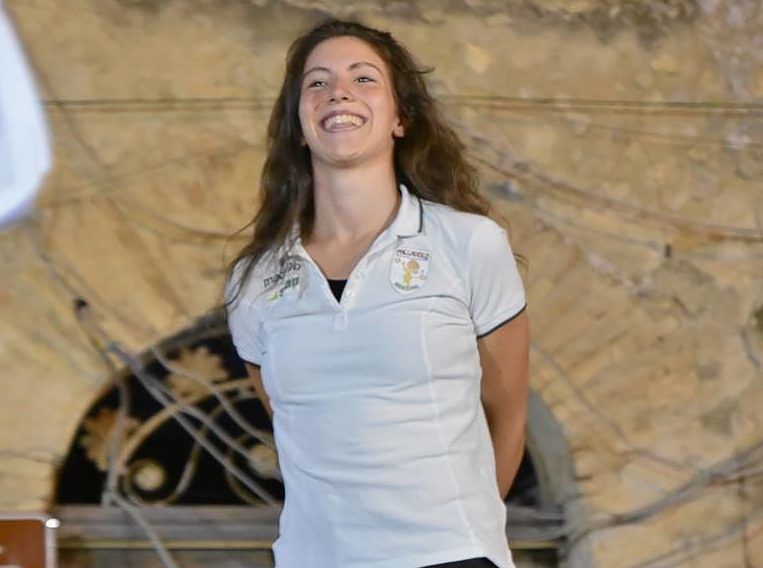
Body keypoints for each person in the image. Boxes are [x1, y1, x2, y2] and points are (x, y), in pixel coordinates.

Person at [222, 18, 530, 568]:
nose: (338, 92)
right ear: (299, 126)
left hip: (451, 555)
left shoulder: (468, 243)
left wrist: (466, 534)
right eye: (317, 83)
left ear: (400, 118)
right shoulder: (255, 280)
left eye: (363, 78)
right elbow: (291, 424)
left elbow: (507, 415)